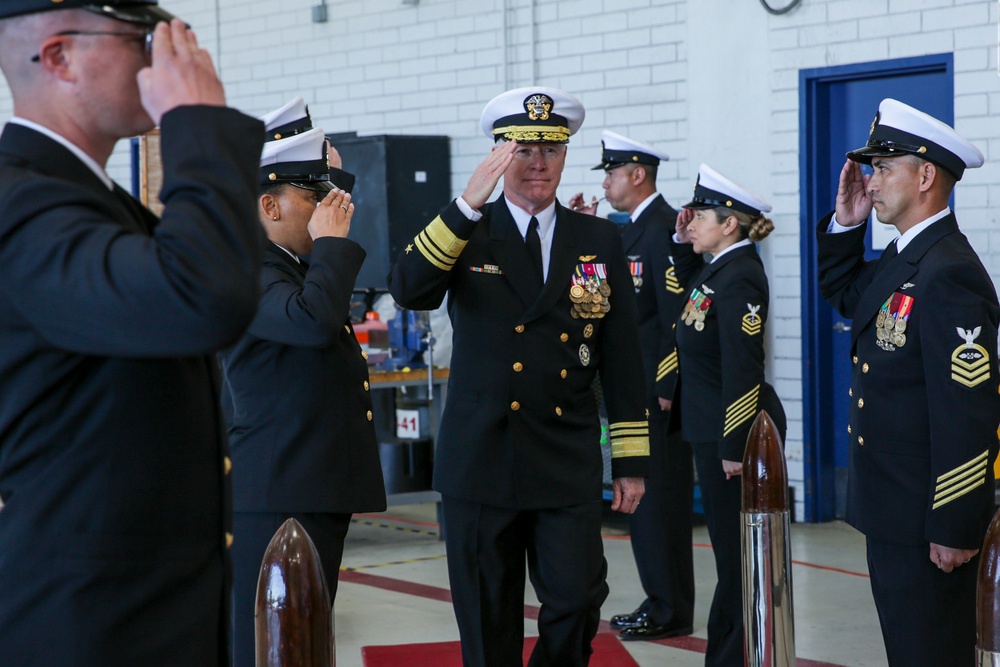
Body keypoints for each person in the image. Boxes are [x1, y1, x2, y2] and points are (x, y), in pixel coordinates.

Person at [0, 3, 265, 666]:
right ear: (59, 57)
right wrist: (194, 124)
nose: (164, 57)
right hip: (81, 622)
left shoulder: (93, 203)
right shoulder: (22, 204)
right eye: (142, 39)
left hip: (136, 614)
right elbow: (201, 296)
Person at [388, 87, 650, 666]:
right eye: (524, 149)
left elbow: (622, 357)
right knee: (487, 617)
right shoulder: (467, 230)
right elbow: (409, 289)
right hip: (482, 458)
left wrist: (630, 461)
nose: (539, 163)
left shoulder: (597, 240)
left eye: (552, 150)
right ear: (500, 156)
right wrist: (465, 204)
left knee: (579, 600)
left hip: (564, 456)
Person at [816, 98, 1000, 666]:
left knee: (931, 654)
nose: (870, 182)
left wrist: (955, 523)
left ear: (925, 176)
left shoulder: (949, 272)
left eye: (883, 167)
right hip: (894, 511)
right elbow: (846, 294)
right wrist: (846, 224)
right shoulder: (908, 256)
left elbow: (966, 412)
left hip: (928, 519)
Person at [219, 100, 387, 667]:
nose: (327, 209)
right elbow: (311, 322)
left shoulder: (286, 262)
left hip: (305, 485)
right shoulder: (247, 268)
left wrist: (329, 182)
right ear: (268, 204)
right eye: (313, 197)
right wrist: (335, 246)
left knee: (303, 644)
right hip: (276, 494)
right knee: (271, 646)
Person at [569, 130, 696, 641]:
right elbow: (597, 307)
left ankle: (670, 607)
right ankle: (658, 598)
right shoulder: (623, 234)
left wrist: (665, 386)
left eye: (611, 172)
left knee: (659, 503)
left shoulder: (666, 230)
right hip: (627, 392)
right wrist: (586, 234)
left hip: (653, 396)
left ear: (637, 175)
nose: (605, 182)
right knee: (639, 505)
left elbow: (678, 321)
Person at [670, 164, 786, 666]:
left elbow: (744, 367)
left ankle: (734, 658)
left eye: (698, 216)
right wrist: (681, 244)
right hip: (710, 428)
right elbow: (686, 303)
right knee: (728, 561)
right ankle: (723, 656)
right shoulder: (718, 269)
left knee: (739, 566)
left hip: (730, 436)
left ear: (730, 223)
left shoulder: (740, 277)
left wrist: (735, 448)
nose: (688, 222)